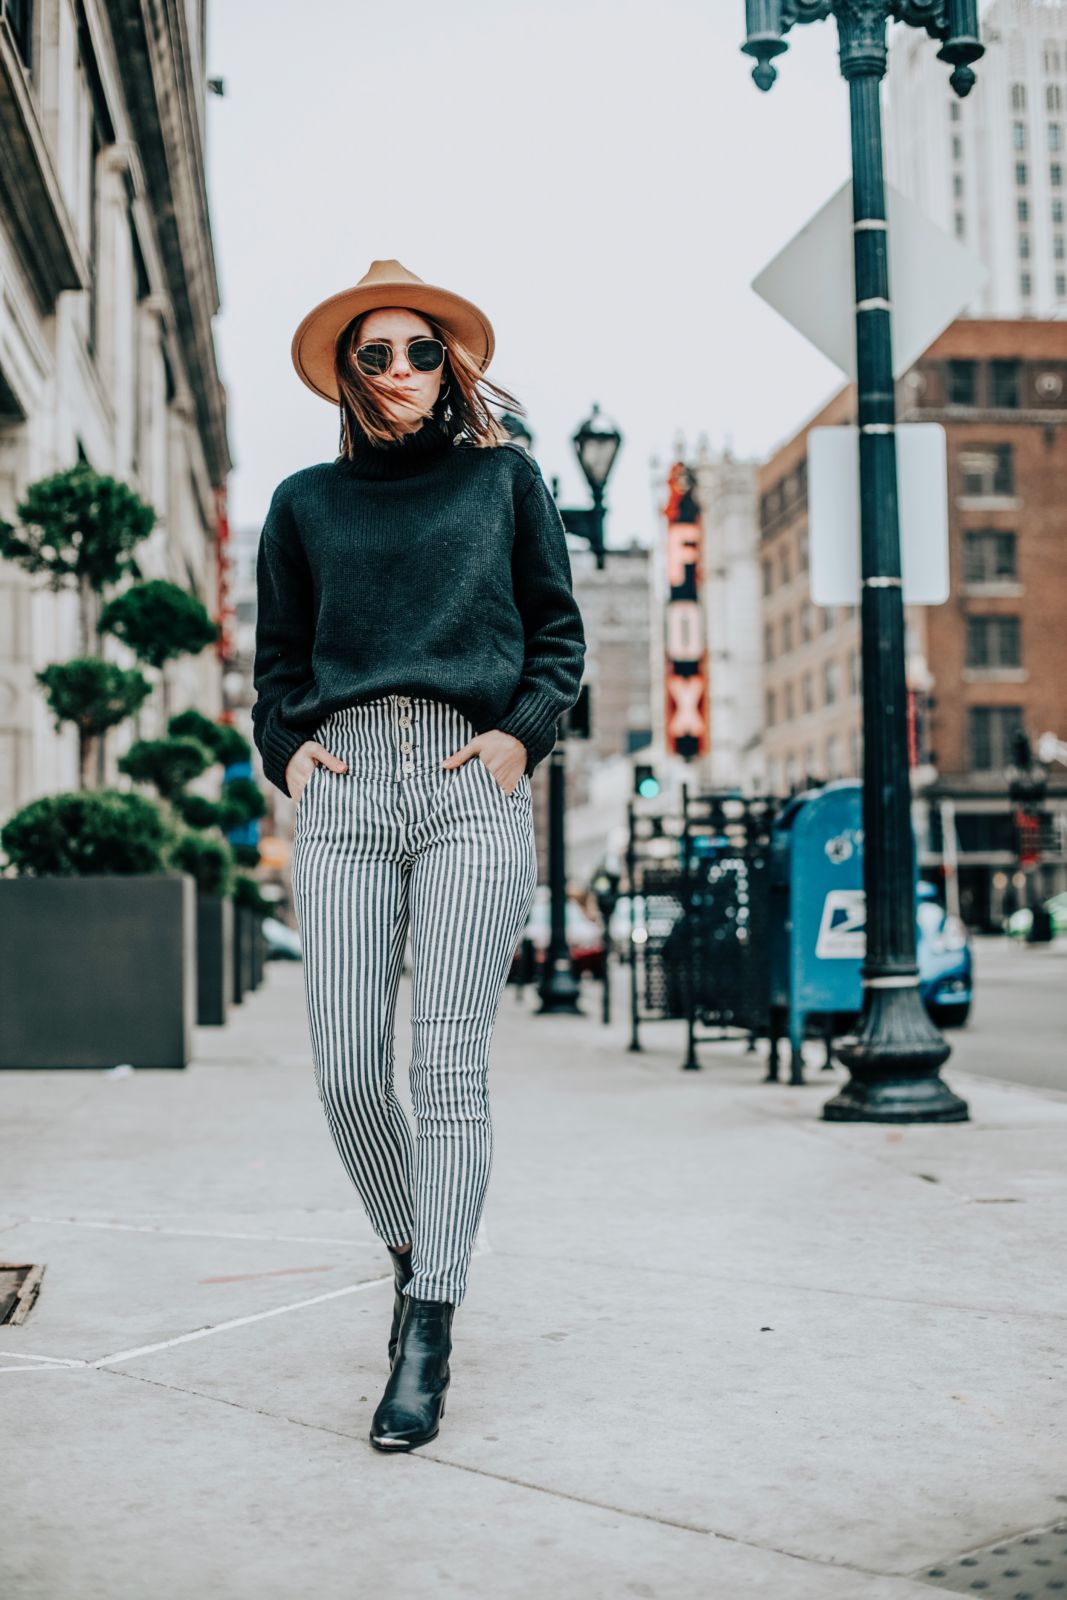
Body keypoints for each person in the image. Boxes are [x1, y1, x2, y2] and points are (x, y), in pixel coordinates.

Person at [251, 259, 586, 1452]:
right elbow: (276, 666)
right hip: (342, 786)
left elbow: (556, 632)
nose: (399, 371)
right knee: (347, 1068)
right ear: (346, 372)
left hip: (466, 784)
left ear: (453, 365)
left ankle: (428, 1329)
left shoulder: (505, 480)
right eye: (375, 353)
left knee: (445, 1065)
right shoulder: (302, 503)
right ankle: (416, 1250)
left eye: (420, 350)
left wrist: (517, 738)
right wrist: (285, 751)